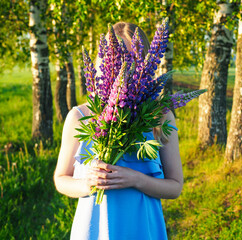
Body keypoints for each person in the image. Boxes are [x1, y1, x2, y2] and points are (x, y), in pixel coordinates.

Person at [53, 22, 183, 240]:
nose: (123, 68)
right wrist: (88, 183)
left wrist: (136, 179)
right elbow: (60, 179)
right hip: (94, 226)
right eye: (116, 60)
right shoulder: (79, 116)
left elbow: (175, 187)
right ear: (102, 62)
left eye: (131, 61)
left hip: (142, 227)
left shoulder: (159, 117)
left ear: (144, 64)